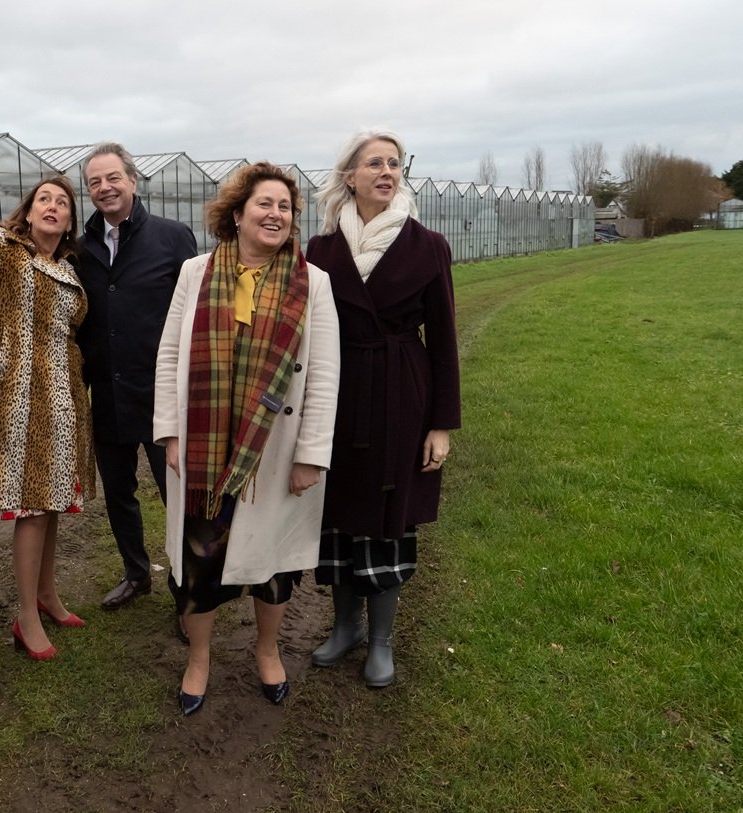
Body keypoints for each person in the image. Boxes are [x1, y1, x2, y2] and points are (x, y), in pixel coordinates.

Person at [154, 162, 340, 715]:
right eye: (265, 203)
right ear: (236, 214)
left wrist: (311, 454)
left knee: (274, 563)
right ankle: (199, 658)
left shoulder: (313, 283)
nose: (276, 214)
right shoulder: (195, 272)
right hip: (205, 446)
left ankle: (267, 649)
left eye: (285, 207)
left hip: (275, 448)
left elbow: (324, 374)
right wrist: (170, 432)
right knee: (200, 558)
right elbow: (169, 354)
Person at [306, 128, 461, 687]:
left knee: (388, 515)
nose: (387, 172)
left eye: (394, 163)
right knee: (339, 511)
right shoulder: (321, 249)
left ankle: (381, 640)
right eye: (374, 163)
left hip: (400, 391)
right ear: (349, 177)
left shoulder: (428, 245)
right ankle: (345, 626)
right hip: (338, 391)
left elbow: (443, 340)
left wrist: (441, 424)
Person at [0, 106, 95, 662]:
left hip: (64, 399)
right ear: (28, 213)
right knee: (31, 506)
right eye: (44, 200)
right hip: (18, 396)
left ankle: (47, 595)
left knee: (52, 501)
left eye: (63, 202)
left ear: (69, 221)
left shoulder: (71, 270)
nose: (53, 206)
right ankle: (25, 616)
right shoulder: (5, 253)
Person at [77, 143, 197, 618]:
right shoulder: (81, 247)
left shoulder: (171, 238)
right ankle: (135, 571)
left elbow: (192, 314)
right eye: (94, 182)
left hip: (161, 392)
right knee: (118, 491)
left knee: (176, 493)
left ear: (132, 180)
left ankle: (187, 588)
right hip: (107, 391)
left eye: (113, 178)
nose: (104, 188)